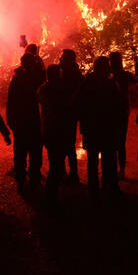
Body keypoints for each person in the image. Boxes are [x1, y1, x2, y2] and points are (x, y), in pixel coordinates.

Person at [78, 56, 124, 199]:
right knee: (109, 158)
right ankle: (110, 186)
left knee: (93, 160)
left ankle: (94, 190)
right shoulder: (111, 83)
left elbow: (80, 105)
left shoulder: (87, 83)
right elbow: (118, 105)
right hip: (107, 127)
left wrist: (83, 125)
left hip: (92, 128)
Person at [6, 52, 44, 191]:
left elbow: (10, 100)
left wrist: (10, 118)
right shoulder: (36, 78)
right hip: (32, 118)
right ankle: (34, 176)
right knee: (34, 150)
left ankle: (21, 176)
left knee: (20, 150)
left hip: (21, 119)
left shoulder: (17, 79)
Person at [39, 64, 72, 202]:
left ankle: (51, 193)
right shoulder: (59, 89)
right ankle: (50, 195)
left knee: (54, 161)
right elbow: (65, 108)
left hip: (47, 129)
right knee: (56, 164)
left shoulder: (43, 88)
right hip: (57, 129)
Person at [109, 51, 137, 177]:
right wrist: (136, 61)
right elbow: (137, 78)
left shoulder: (108, 75)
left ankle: (112, 170)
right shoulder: (125, 75)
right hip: (122, 111)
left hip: (110, 112)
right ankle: (122, 170)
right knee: (121, 142)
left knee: (111, 142)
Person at [58, 49, 83, 181]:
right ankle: (64, 172)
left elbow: (79, 92)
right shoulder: (63, 71)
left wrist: (69, 102)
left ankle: (72, 173)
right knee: (64, 143)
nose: (60, 59)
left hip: (68, 113)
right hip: (64, 112)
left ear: (68, 59)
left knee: (67, 143)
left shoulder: (74, 74)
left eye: (62, 57)